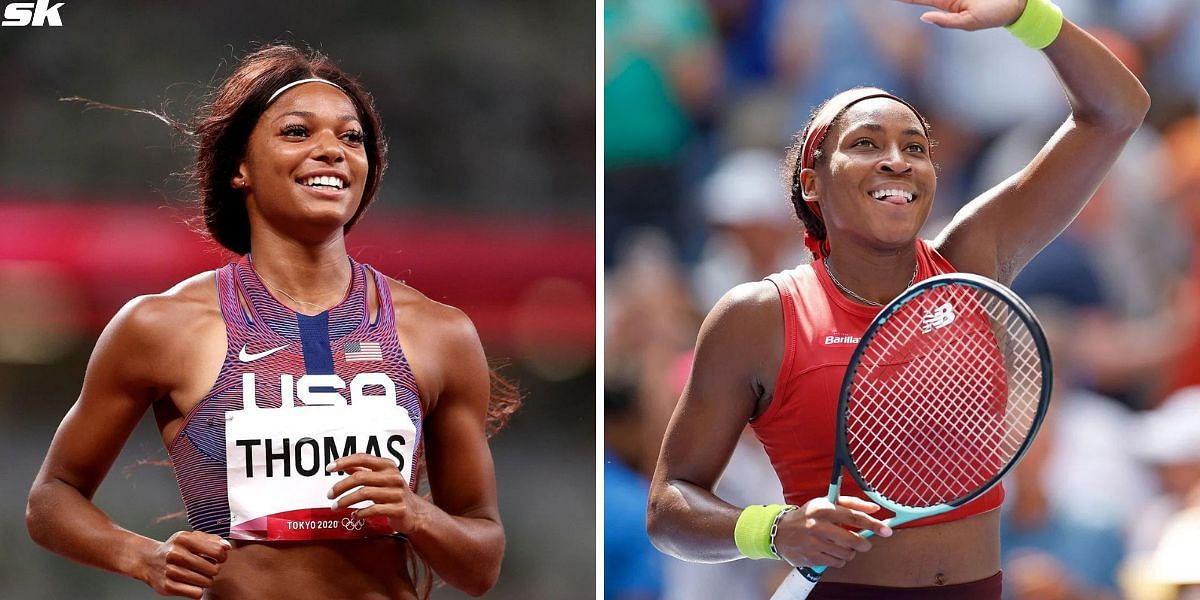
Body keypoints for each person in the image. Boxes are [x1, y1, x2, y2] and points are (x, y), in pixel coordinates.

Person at [646, 0, 1149, 597]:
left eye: (916, 148)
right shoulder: (757, 316)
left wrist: (1027, 14)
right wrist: (774, 530)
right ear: (812, 179)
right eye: (865, 143)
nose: (896, 161)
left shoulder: (972, 260)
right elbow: (669, 505)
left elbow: (1117, 111)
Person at [25, 45, 515, 599]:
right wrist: (142, 556)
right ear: (240, 167)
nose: (331, 150)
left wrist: (418, 515)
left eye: (351, 138)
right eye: (298, 132)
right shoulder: (163, 326)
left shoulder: (438, 333)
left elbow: (481, 566)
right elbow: (52, 498)